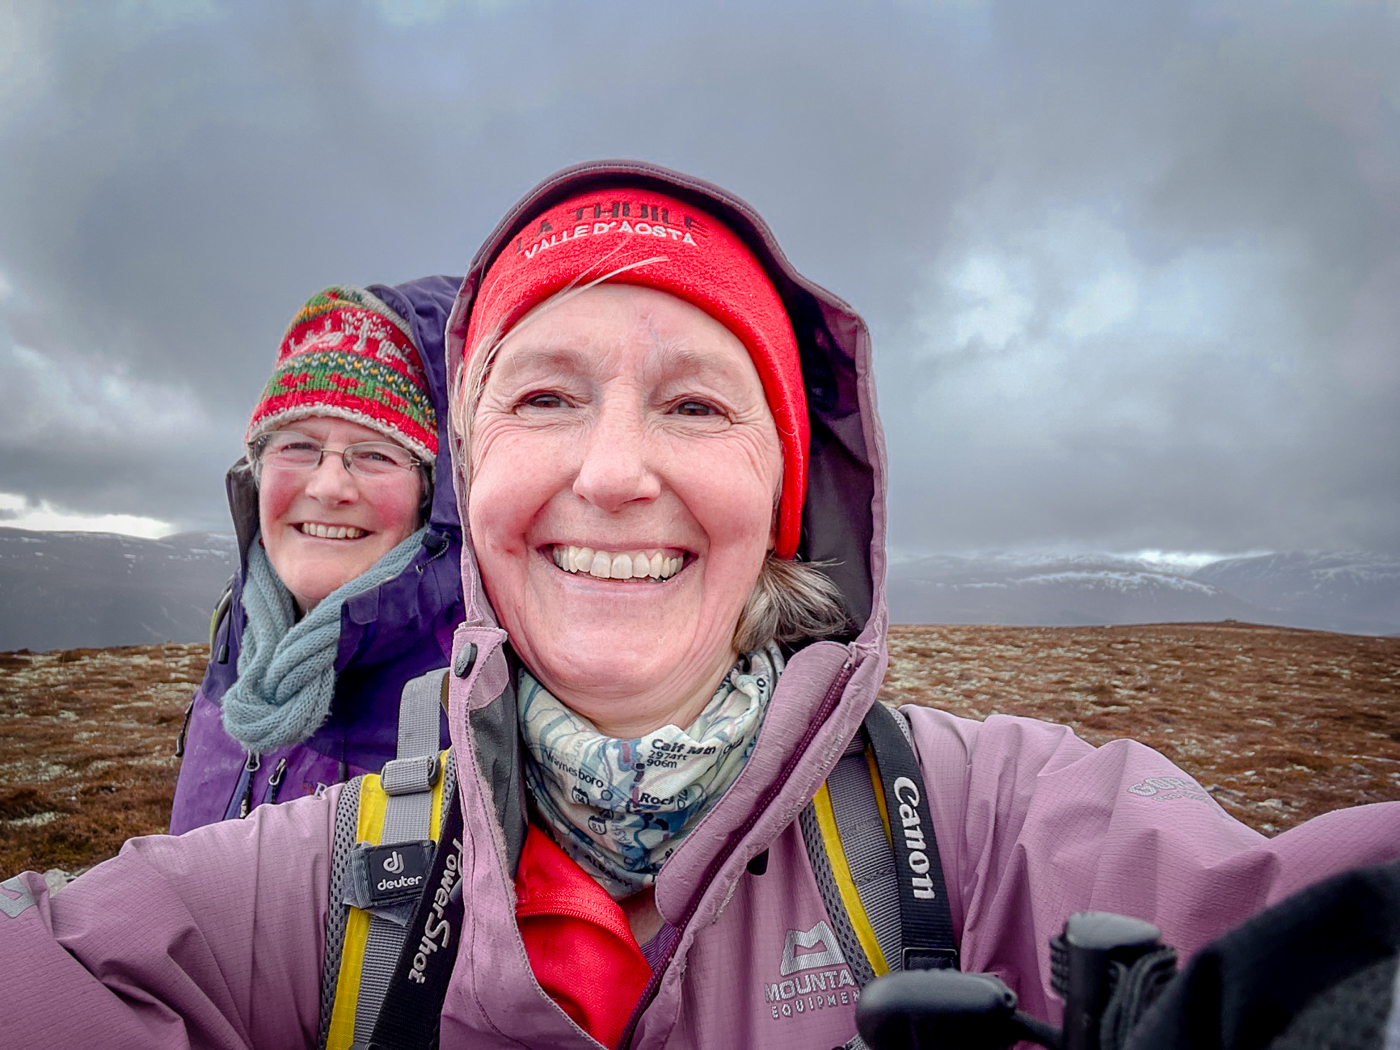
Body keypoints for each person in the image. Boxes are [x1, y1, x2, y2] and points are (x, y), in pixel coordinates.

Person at [2, 160, 1398, 1050]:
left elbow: (1294, 920)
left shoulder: (992, 826)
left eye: (694, 405)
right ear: (477, 484)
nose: (614, 472)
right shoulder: (332, 878)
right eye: (545, 396)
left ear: (786, 494)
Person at [168, 281, 464, 832]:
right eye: (298, 445)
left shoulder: (473, 684)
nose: (329, 487)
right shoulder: (239, 625)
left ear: (429, 494)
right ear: (257, 471)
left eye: (375, 453)